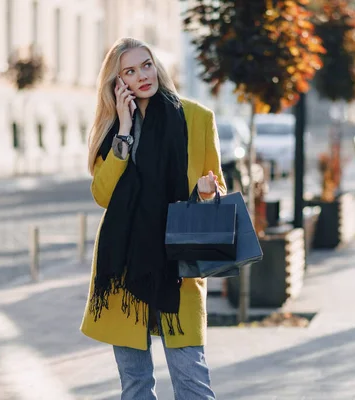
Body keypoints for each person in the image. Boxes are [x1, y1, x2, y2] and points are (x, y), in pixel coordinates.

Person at [81, 37, 226, 400]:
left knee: (192, 383)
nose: (143, 76)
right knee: (135, 386)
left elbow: (216, 188)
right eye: (129, 71)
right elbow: (103, 195)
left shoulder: (197, 118)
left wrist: (207, 191)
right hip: (125, 272)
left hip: (177, 267)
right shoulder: (114, 131)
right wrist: (125, 131)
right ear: (118, 85)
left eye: (146, 64)